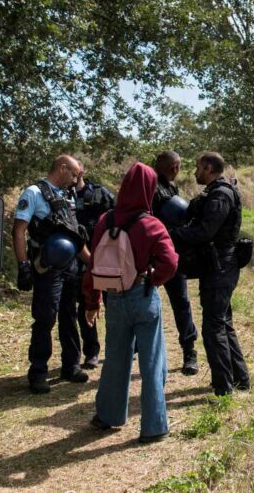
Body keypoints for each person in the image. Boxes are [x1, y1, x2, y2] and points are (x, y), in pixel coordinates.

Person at [84, 162, 178, 443]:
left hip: (114, 298)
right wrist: (154, 278)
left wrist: (92, 301)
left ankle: (108, 416)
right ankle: (154, 427)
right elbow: (170, 262)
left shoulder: (105, 221)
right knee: (151, 362)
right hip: (143, 294)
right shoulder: (151, 224)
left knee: (114, 357)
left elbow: (93, 265)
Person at [171, 152, 249, 396]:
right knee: (223, 324)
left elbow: (205, 232)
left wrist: (172, 234)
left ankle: (223, 387)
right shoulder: (215, 191)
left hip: (220, 267)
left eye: (197, 167)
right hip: (218, 266)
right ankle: (240, 379)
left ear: (208, 168)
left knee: (214, 328)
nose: (194, 172)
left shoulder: (221, 194)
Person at [13, 154, 92, 394]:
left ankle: (71, 365)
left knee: (69, 315)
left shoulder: (67, 196)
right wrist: (23, 265)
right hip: (46, 266)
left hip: (70, 267)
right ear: (62, 167)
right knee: (45, 318)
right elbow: (19, 231)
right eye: (74, 174)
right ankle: (38, 371)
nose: (77, 179)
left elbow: (75, 236)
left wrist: (93, 263)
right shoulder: (34, 193)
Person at [151, 150, 199, 376]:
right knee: (142, 302)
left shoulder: (171, 189)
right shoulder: (148, 187)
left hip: (171, 254)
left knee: (181, 303)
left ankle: (189, 352)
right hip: (150, 255)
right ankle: (137, 348)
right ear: (175, 167)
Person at [71, 162, 116, 369]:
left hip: (105, 258)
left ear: (82, 171)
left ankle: (121, 347)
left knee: (113, 304)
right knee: (85, 306)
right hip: (77, 262)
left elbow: (116, 223)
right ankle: (91, 352)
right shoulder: (61, 198)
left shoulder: (100, 194)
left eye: (76, 168)